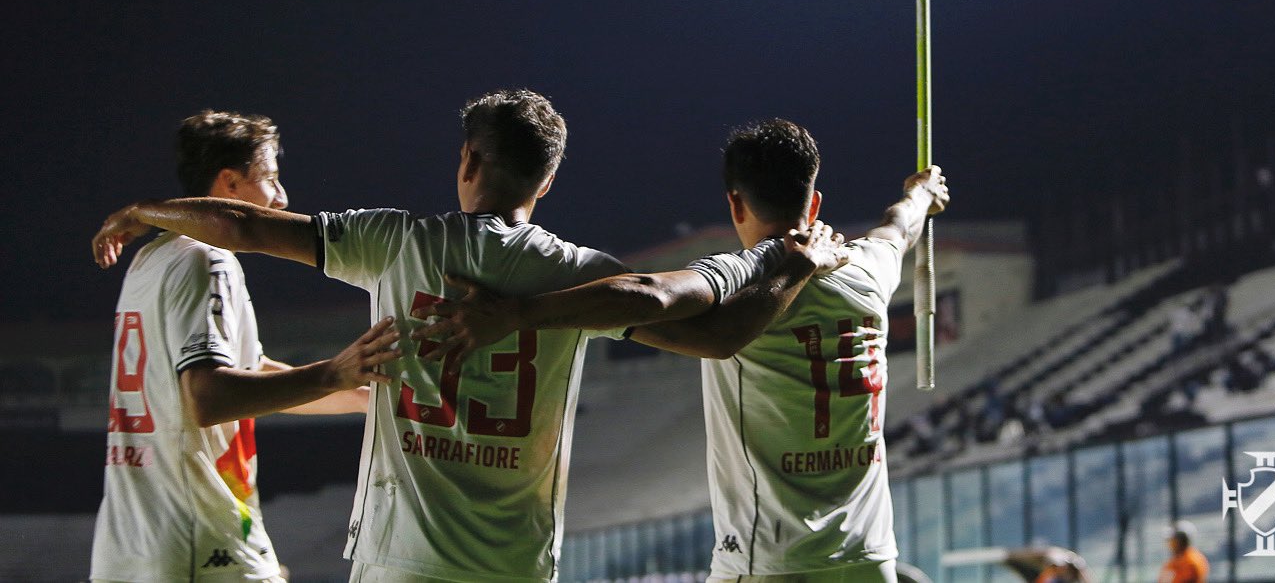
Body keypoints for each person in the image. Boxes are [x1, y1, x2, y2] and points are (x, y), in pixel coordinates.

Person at [93, 91, 845, 583]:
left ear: (467, 161)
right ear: (545, 184)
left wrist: (148, 211)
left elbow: (243, 225)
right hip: (514, 563)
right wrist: (788, 266)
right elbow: (719, 338)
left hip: (399, 560)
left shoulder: (397, 242)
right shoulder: (579, 275)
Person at [419, 119, 949, 582]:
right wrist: (924, 193)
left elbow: (651, 295)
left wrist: (518, 312)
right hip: (868, 557)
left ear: (735, 203)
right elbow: (898, 225)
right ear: (814, 203)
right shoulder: (870, 268)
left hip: (770, 562)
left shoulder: (743, 281)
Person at [89, 110, 399, 583]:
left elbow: (250, 374)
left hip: (133, 548)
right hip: (199, 544)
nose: (281, 196)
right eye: (270, 178)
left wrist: (359, 396)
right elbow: (210, 398)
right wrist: (333, 372)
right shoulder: (208, 260)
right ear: (230, 184)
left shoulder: (150, 259)